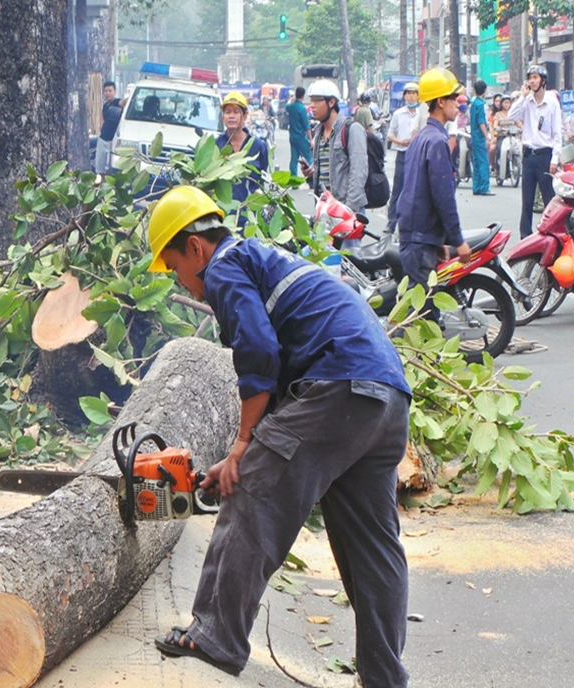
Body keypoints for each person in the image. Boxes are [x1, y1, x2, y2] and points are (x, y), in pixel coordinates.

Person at [146, 184, 412, 686]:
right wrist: (249, 446)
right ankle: (384, 679)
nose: (182, 283)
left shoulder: (224, 267)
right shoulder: (262, 259)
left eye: (175, 267)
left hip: (338, 389)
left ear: (196, 248)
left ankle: (215, 634)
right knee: (373, 550)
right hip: (386, 399)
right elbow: (287, 386)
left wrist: (242, 447)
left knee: (251, 491)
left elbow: (259, 353)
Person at [397, 68, 472, 325]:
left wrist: (437, 240)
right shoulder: (437, 142)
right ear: (441, 101)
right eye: (454, 98)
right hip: (418, 241)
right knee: (423, 320)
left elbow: (418, 192)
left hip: (417, 236)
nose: (458, 104)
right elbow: (443, 198)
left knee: (418, 314)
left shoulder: (422, 138)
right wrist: (457, 240)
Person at [507, 65, 562, 238]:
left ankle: (551, 233)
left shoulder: (552, 102)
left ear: (543, 81)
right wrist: (523, 96)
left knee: (549, 199)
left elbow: (557, 134)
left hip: (545, 155)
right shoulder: (527, 102)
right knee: (527, 200)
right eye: (530, 78)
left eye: (536, 77)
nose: (532, 81)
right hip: (529, 155)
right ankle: (525, 235)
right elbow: (511, 116)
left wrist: (555, 159)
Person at [301, 79, 367, 215]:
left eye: (317, 101)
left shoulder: (351, 129)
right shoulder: (318, 133)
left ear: (331, 102)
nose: (312, 106)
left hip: (346, 211)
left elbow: (359, 172)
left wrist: (349, 210)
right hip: (324, 211)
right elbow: (327, 172)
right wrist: (310, 174)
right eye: (311, 101)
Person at [216, 91, 269, 214]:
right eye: (228, 112)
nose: (231, 116)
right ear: (222, 117)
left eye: (236, 112)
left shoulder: (258, 146)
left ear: (245, 117)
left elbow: (261, 180)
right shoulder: (216, 145)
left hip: (249, 213)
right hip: (222, 213)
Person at [386, 81, 421, 233]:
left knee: (415, 190)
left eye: (414, 93)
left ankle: (412, 223)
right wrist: (400, 141)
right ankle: (391, 222)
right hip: (402, 153)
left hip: (417, 155)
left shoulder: (422, 114)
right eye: (409, 93)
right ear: (405, 96)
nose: (412, 96)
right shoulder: (398, 114)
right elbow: (390, 135)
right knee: (397, 190)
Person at [95, 80, 125, 175]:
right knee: (100, 167)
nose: (107, 93)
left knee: (109, 167)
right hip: (103, 138)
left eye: (110, 91)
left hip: (112, 140)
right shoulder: (105, 106)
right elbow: (102, 118)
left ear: (115, 91)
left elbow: (124, 102)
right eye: (106, 91)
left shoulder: (117, 103)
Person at [470, 80, 493, 196]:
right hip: (479, 136)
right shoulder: (481, 104)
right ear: (484, 90)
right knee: (484, 161)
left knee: (476, 161)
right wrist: (487, 137)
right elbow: (481, 122)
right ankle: (484, 187)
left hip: (473, 136)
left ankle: (476, 186)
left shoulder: (473, 103)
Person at [286, 86, 312, 176]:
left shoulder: (291, 106)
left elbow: (287, 105)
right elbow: (306, 126)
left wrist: (291, 99)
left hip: (293, 137)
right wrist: (311, 140)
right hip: (301, 137)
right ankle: (312, 179)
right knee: (308, 157)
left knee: (294, 159)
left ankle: (293, 181)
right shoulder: (302, 108)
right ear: (303, 96)